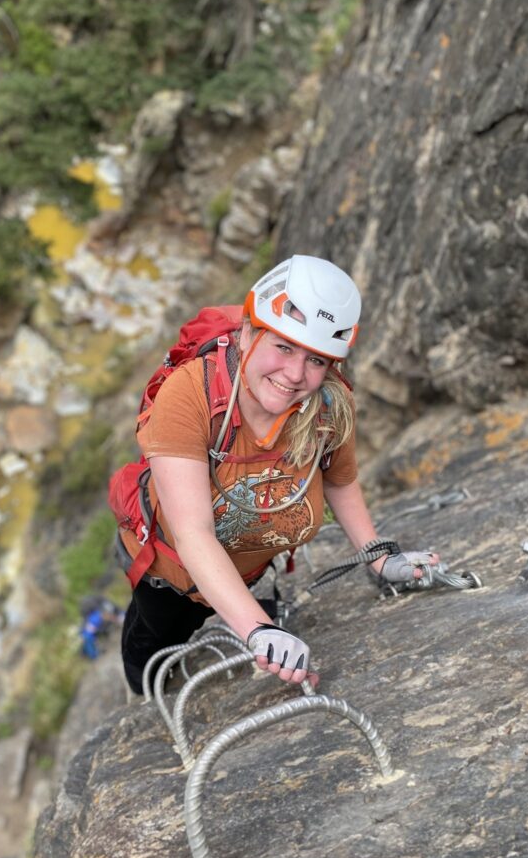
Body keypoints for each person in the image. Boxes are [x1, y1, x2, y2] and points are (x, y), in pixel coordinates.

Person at [117, 255, 439, 694]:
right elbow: (193, 534)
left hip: (254, 567)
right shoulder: (191, 395)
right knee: (148, 671)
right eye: (283, 347)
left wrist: (381, 558)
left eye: (316, 360)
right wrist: (258, 630)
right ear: (249, 330)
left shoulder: (329, 404)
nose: (294, 374)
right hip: (173, 581)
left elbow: (339, 481)